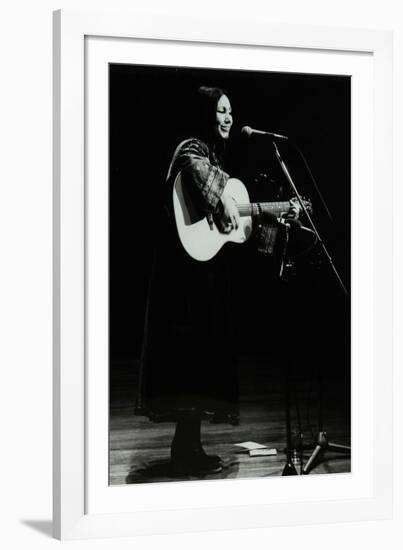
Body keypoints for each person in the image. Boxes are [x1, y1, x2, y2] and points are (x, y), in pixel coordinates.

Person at [136, 85, 300, 476]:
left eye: (231, 112)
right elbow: (205, 184)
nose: (228, 118)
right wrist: (226, 203)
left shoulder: (215, 159)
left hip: (203, 273)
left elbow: (237, 220)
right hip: (183, 279)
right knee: (187, 359)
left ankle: (191, 446)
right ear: (205, 113)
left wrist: (276, 214)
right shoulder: (190, 150)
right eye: (221, 111)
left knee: (201, 361)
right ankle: (184, 449)